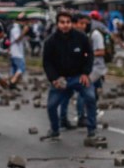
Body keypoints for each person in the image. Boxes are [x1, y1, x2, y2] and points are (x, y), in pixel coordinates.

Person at [41, 11, 99, 142]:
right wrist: (54, 79)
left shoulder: (81, 37)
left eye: (68, 22)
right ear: (57, 24)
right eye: (62, 22)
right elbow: (47, 63)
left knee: (90, 97)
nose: (65, 25)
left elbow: (89, 55)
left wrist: (85, 73)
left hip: (79, 76)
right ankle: (55, 130)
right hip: (61, 79)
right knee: (51, 105)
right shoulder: (50, 42)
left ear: (71, 23)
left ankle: (92, 130)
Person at [8, 13, 29, 89]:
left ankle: (13, 85)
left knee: (14, 70)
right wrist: (24, 32)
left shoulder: (17, 28)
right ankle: (12, 82)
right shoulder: (15, 29)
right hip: (17, 53)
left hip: (15, 52)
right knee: (21, 69)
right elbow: (17, 39)